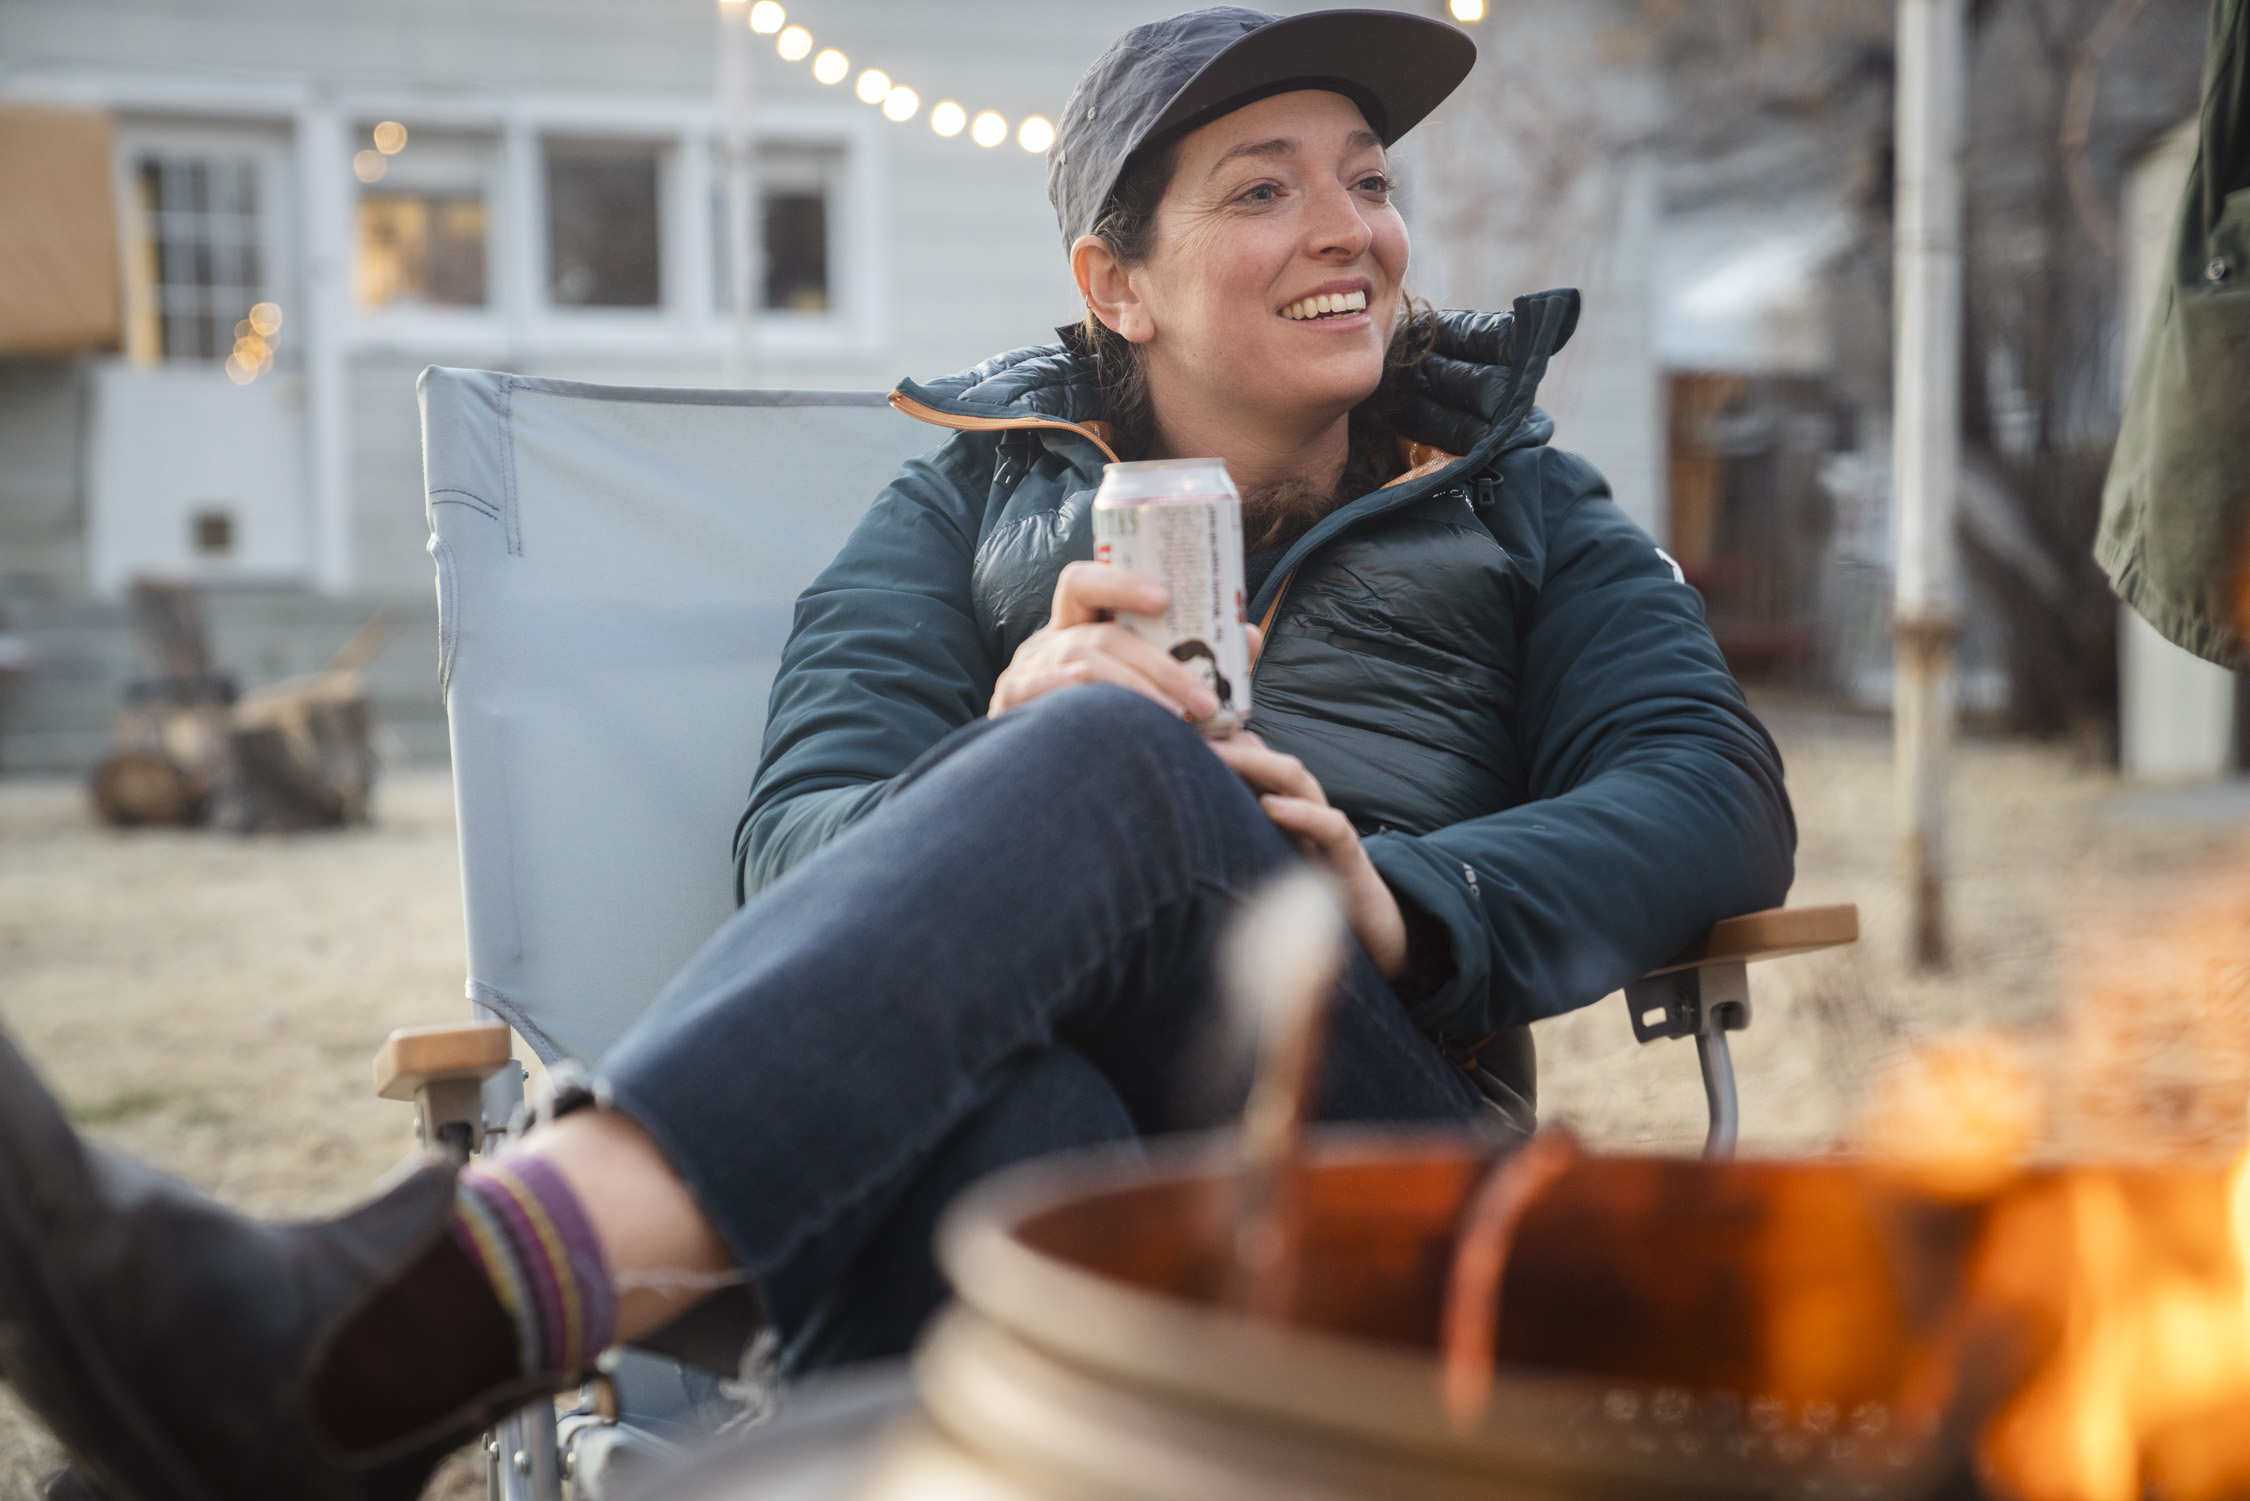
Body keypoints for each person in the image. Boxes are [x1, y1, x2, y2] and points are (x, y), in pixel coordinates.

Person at [0, 9, 1794, 1497]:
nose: (1354, 232)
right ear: (1120, 281)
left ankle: (388, 1337)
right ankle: (350, 1361)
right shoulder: (950, 521)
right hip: (1066, 1186)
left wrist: (1392, 897)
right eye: (1265, 189)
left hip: (1378, 1170)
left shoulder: (1516, 499)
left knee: (1126, 768)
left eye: (1371, 182)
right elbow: (798, 841)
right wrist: (1009, 734)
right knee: (1026, 1103)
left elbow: (1713, 790)